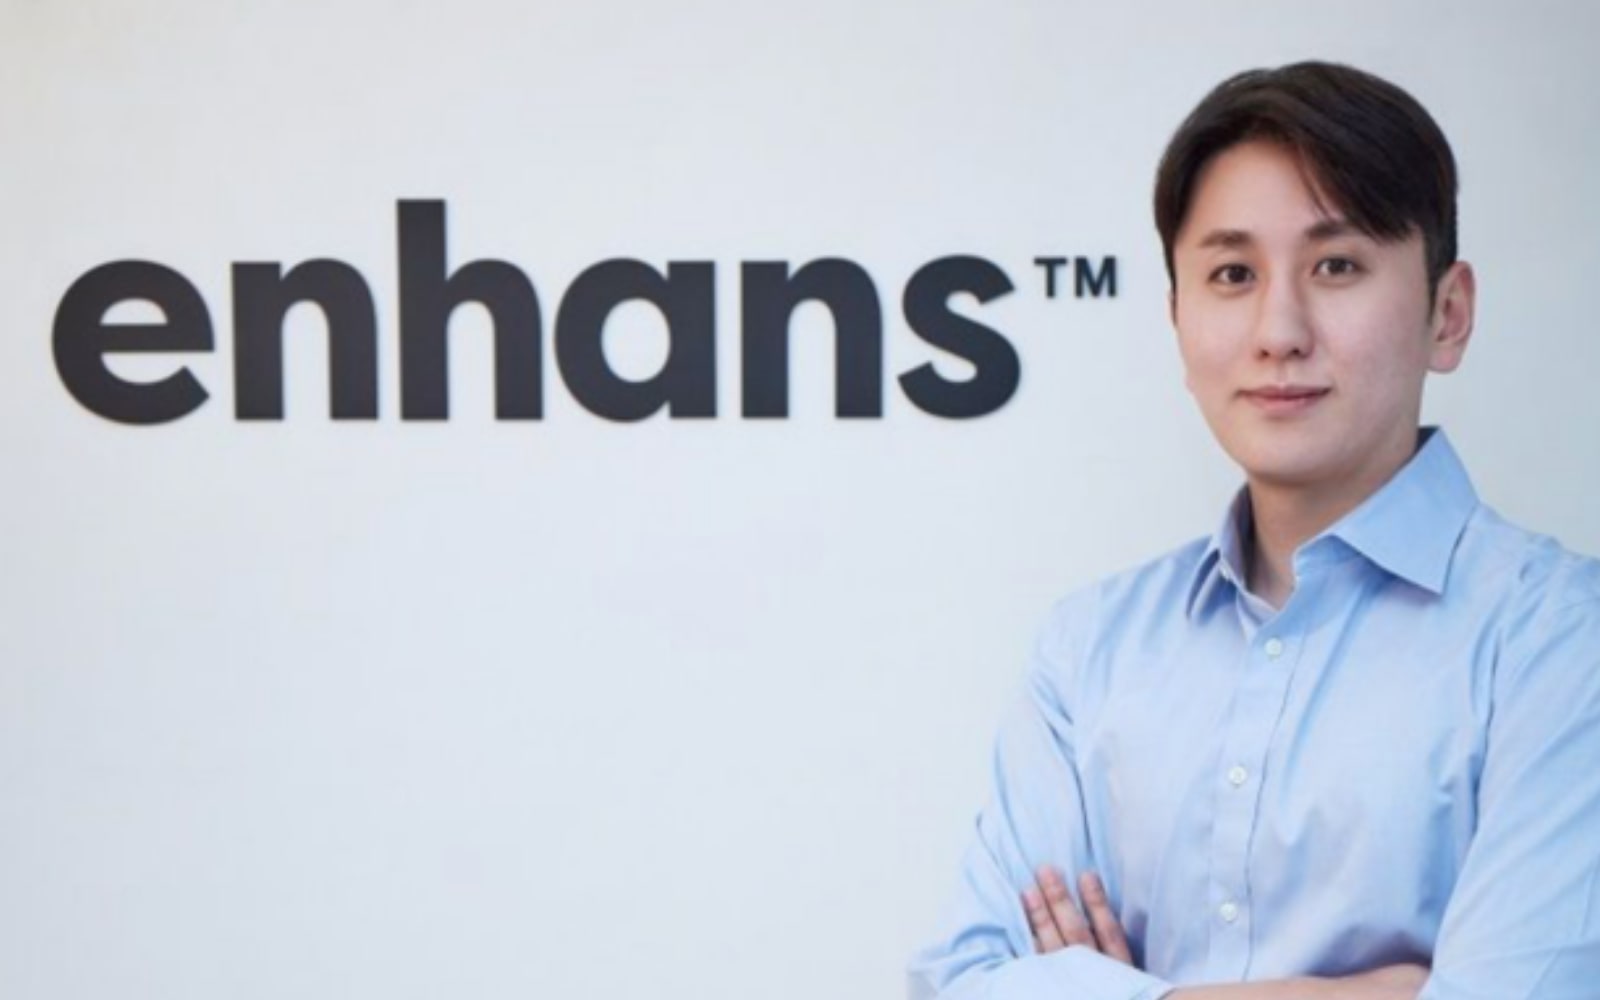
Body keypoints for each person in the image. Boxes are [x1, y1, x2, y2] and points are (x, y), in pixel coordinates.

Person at [907, 61, 1600, 999]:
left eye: (1337, 265)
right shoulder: (1087, 654)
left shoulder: (1562, 643)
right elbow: (958, 984)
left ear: (1449, 313)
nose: (1279, 330)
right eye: (1232, 274)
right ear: (1178, 319)